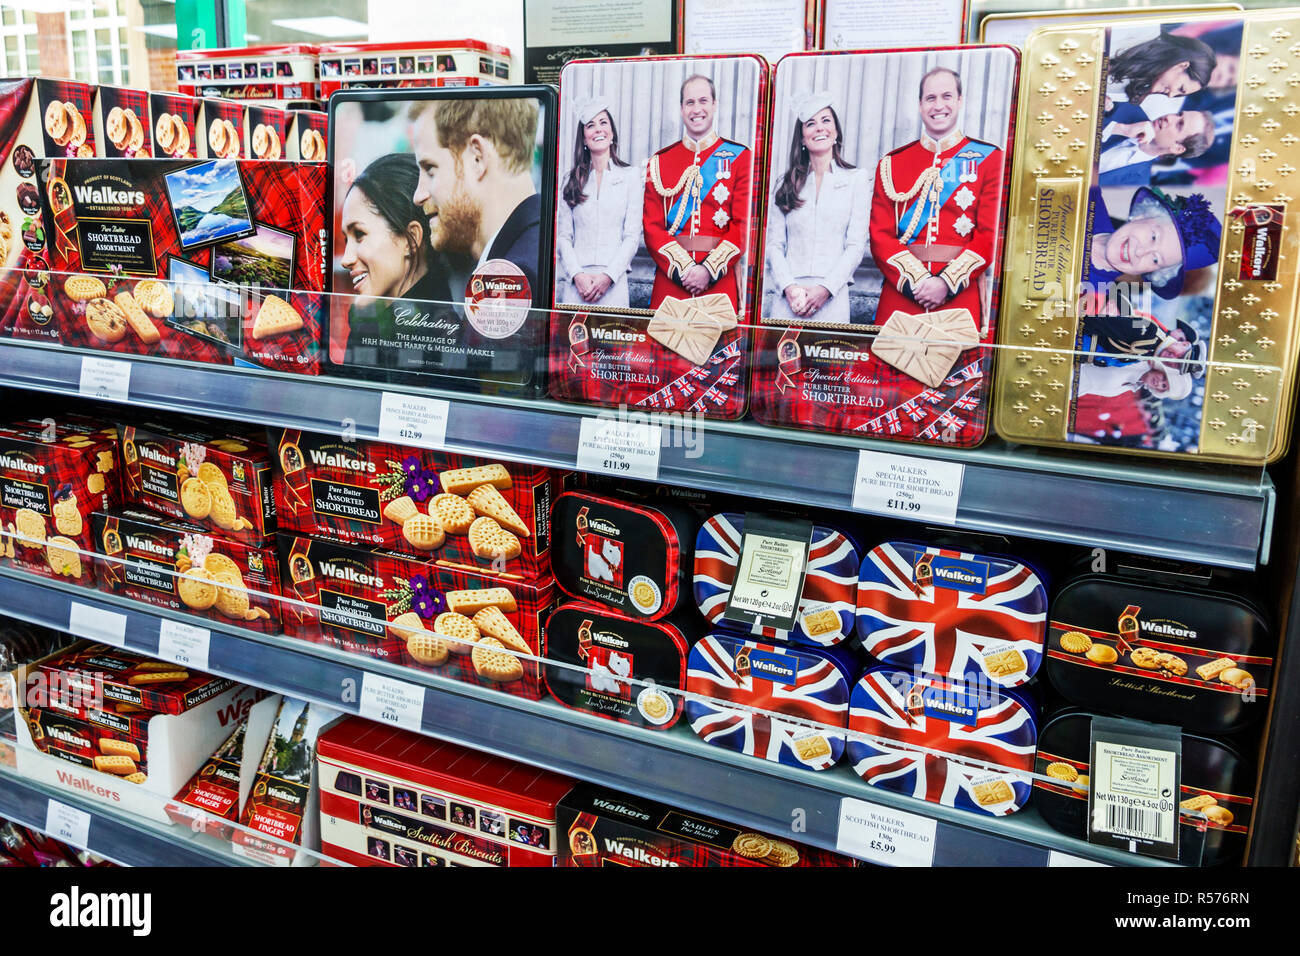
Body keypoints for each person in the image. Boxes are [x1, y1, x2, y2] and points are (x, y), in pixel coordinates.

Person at [868, 67, 1004, 333]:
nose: (938, 105)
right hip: (902, 295)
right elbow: (880, 236)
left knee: (957, 375)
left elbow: (990, 235)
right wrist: (918, 283)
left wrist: (946, 284)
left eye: (947, 96)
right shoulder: (892, 163)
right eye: (930, 98)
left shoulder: (989, 159)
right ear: (920, 105)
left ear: (959, 101)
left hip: (958, 296)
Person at [410, 96, 542, 301]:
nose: (418, 196)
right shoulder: (532, 253)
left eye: (430, 169)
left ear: (477, 158)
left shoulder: (515, 281)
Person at [643, 73, 752, 311]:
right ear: (681, 109)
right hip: (671, 282)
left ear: (714, 105)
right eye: (690, 102)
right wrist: (685, 270)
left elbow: (742, 226)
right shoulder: (660, 161)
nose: (696, 109)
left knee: (719, 349)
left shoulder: (741, 158)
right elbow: (652, 228)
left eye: (703, 101)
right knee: (667, 347)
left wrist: (707, 270)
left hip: (718, 283)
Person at [765, 92, 870, 323]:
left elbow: (855, 245)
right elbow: (774, 245)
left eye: (826, 121)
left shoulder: (856, 180)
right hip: (789, 300)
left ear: (836, 132)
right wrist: (790, 288)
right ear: (802, 139)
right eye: (810, 124)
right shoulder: (785, 184)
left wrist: (826, 288)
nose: (819, 128)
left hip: (832, 297)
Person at [340, 153, 449, 363]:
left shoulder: (440, 335)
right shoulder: (370, 321)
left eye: (360, 235)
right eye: (346, 239)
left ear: (410, 240)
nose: (346, 259)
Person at [556, 98, 641, 308]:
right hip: (577, 287)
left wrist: (608, 276)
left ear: (612, 133)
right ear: (584, 139)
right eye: (590, 125)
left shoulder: (631, 177)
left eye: (603, 123)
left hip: (614, 285)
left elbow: (632, 236)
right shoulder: (570, 181)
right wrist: (577, 275)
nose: (598, 130)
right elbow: (563, 236)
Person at [1083, 185, 1221, 299]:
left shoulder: (1089, 303)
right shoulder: (1086, 193)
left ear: (1153, 274)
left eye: (1156, 259)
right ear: (1142, 216)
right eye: (1154, 237)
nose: (1140, 252)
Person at [1098, 104, 1214, 187]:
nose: (1169, 117)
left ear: (1177, 148)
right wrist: (1120, 129)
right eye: (1178, 114)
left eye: (1179, 124)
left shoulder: (1137, 184)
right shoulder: (1128, 111)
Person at [1106, 32, 1216, 108]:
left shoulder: (1132, 90)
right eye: (1180, 88)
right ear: (1182, 65)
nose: (1170, 95)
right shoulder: (1146, 31)